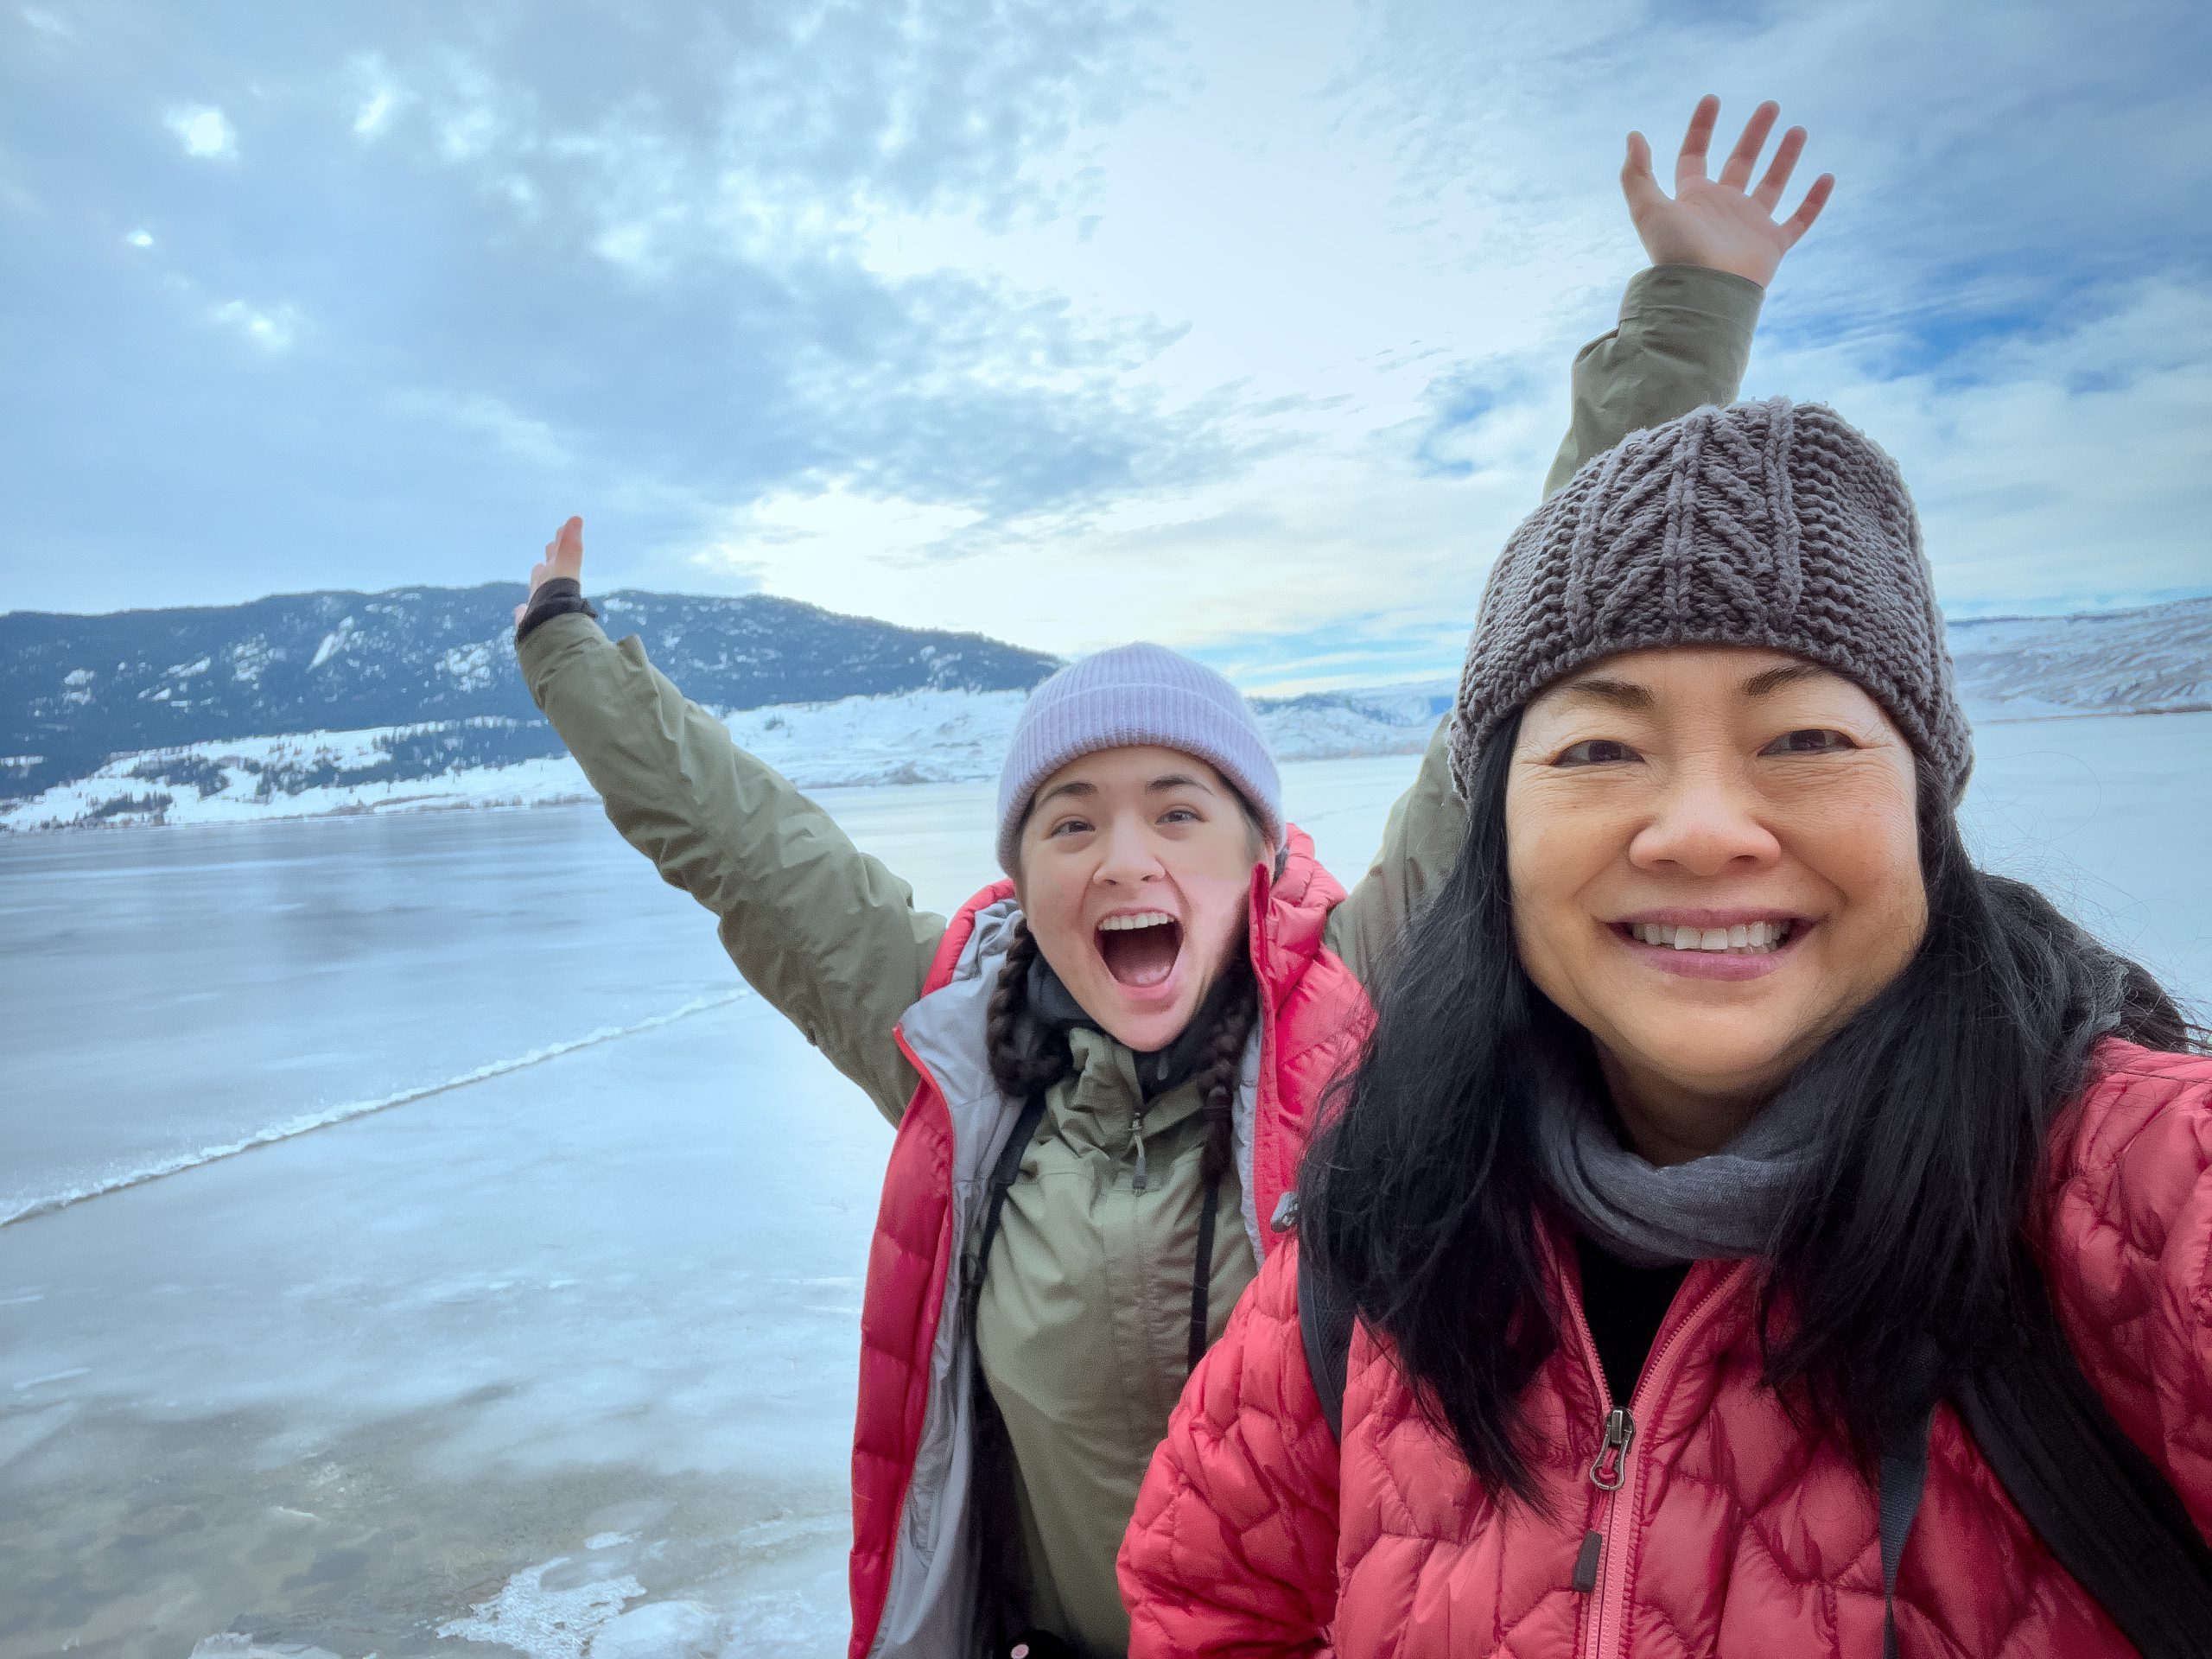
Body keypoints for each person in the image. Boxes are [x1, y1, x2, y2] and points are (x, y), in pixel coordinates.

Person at [513, 98, 1831, 1659]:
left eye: (1177, 811)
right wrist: (566, 654)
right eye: (1069, 822)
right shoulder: (959, 1044)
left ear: (1259, 850)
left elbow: (1517, 679)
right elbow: (748, 845)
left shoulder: (1366, 990)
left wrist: (1687, 311)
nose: (1125, 855)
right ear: (1021, 875)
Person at [1115, 401, 2212, 1649]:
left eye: (1805, 737)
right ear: (1497, 841)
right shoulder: (1383, 1236)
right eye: (1599, 749)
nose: (1701, 828)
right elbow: (1211, 1601)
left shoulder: (2145, 1200)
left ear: (1924, 814)